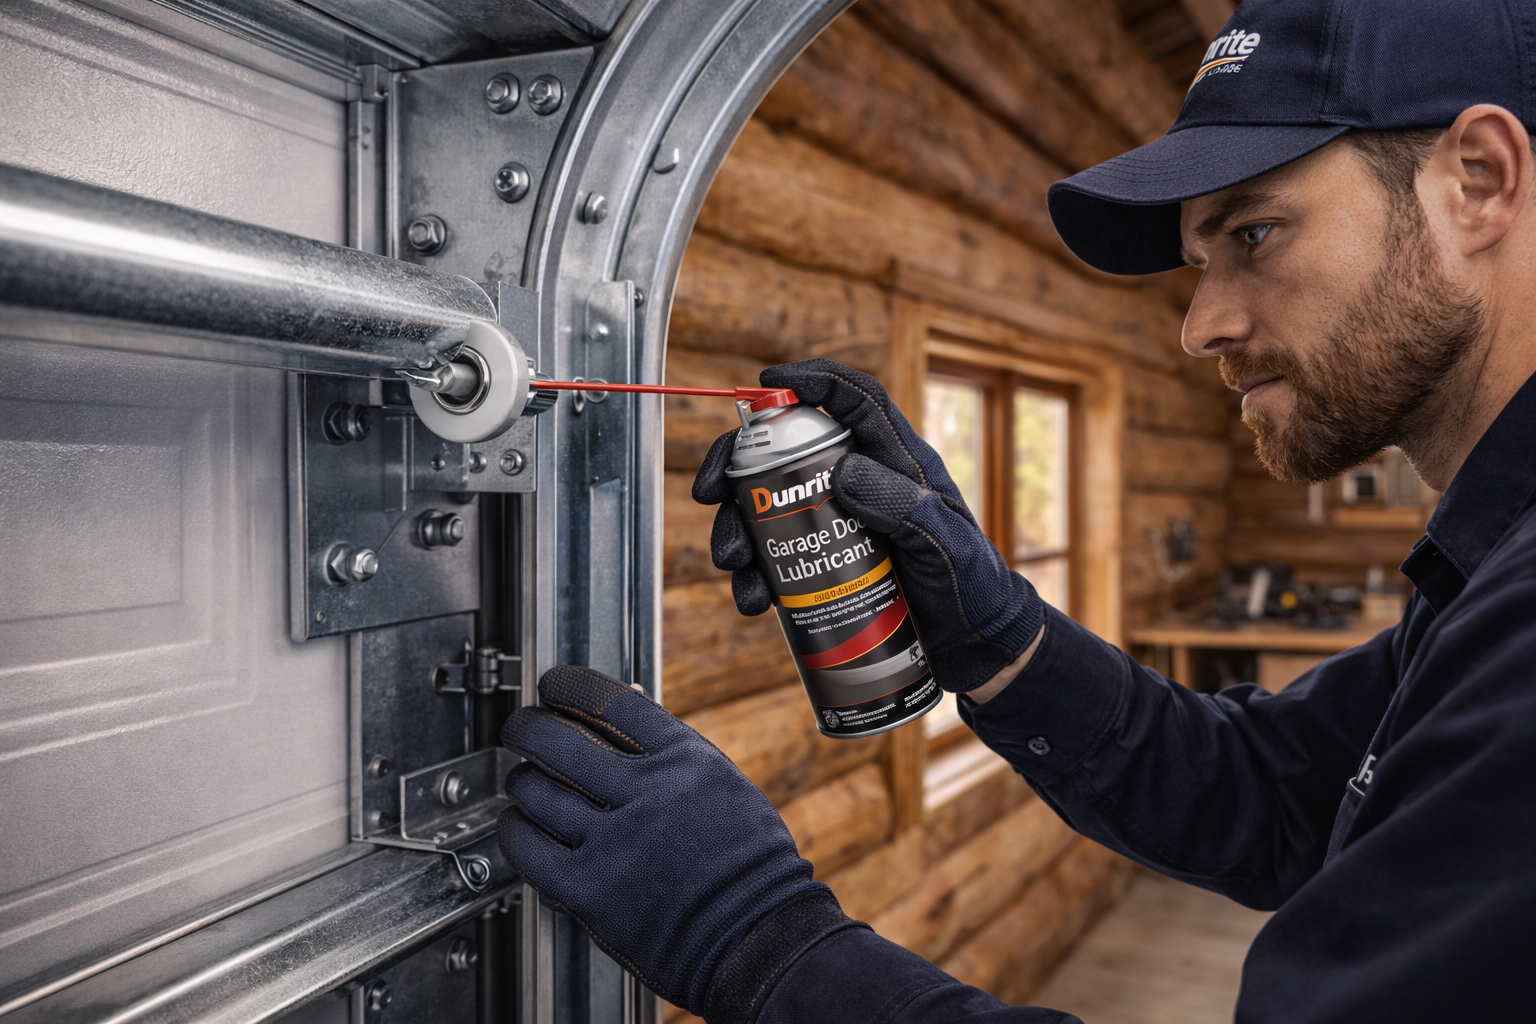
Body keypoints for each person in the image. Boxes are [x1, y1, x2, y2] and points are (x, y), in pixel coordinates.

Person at [496, 0, 1536, 1020]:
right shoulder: (1486, 565)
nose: (1201, 325)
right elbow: (1270, 794)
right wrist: (1001, 636)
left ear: (1477, 181)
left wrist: (760, 941)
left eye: (1254, 232)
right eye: (1199, 261)